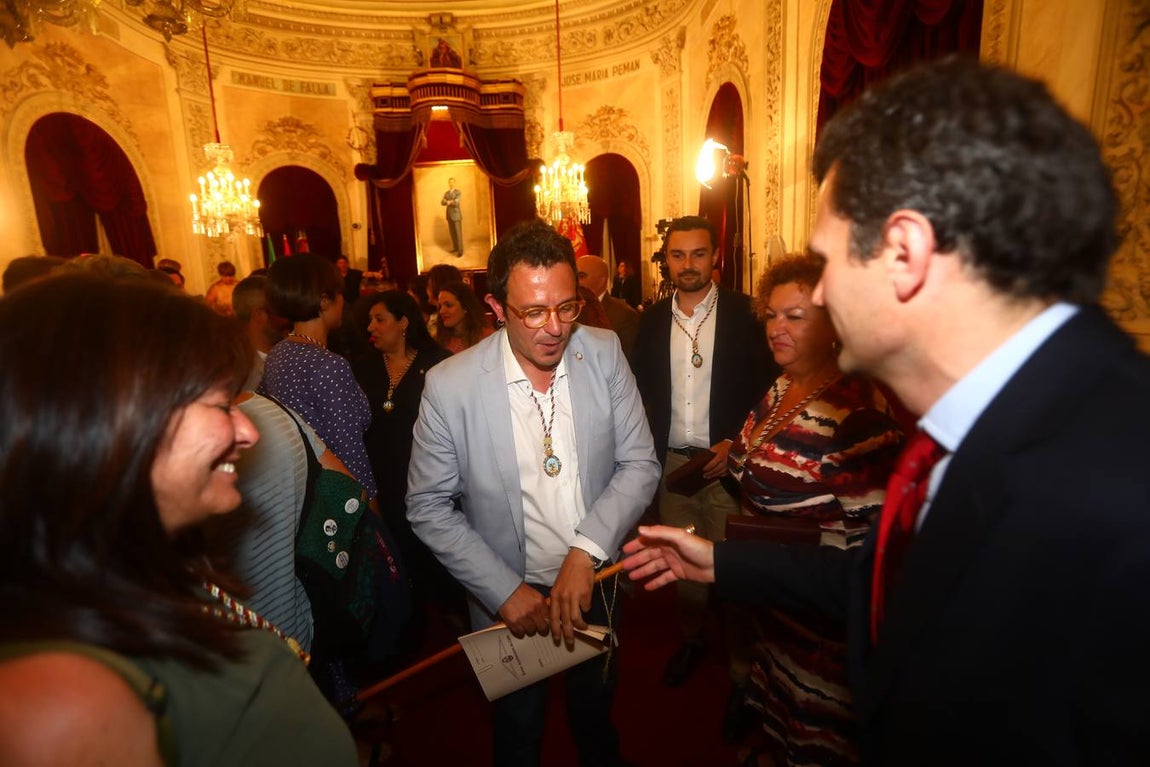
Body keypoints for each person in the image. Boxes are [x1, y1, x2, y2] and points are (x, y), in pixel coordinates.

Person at [622, 57, 1150, 766]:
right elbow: (882, 580)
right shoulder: (995, 421)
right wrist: (720, 561)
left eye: (828, 262)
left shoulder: (1118, 486)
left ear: (905, 252)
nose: (819, 295)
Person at [0, 273, 356, 765]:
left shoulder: (140, 576)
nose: (248, 432)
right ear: (114, 427)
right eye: (220, 405)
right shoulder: (62, 705)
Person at [406, 219, 661, 767]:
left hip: (595, 581)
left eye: (567, 307)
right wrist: (503, 590)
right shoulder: (450, 386)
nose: (555, 328)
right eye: (534, 312)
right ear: (496, 307)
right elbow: (427, 506)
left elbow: (640, 463)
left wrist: (584, 554)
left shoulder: (604, 350)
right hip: (509, 598)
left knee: (595, 713)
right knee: (519, 732)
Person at [726, 253, 903, 764]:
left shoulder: (857, 414)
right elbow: (750, 457)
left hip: (823, 633)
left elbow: (874, 560)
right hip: (776, 611)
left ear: (833, 324)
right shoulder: (782, 386)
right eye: (771, 315)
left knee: (813, 740)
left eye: (795, 316)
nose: (776, 328)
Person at [630, 214, 776, 694]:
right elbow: (639, 394)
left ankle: (741, 671)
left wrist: (738, 442)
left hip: (730, 467)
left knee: (734, 572)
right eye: (678, 255)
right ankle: (692, 639)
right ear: (666, 260)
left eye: (698, 254)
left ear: (715, 257)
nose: (688, 264)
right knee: (683, 569)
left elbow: (772, 390)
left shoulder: (746, 313)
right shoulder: (652, 321)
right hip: (676, 468)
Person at [351, 291, 456, 629]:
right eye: (369, 320)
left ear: (404, 322)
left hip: (428, 479)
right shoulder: (362, 367)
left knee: (432, 558)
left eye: (379, 319)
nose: (371, 327)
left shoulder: (438, 364)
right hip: (380, 481)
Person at [258, 253, 376, 499]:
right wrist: (371, 510)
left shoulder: (278, 352)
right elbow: (351, 458)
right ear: (324, 301)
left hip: (301, 489)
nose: (343, 301)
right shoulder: (329, 366)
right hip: (336, 497)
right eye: (339, 293)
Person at [578, 254, 639, 360]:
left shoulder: (625, 315)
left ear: (601, 281)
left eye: (581, 276)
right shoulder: (568, 312)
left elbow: (627, 362)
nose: (574, 281)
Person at [232, 274, 285, 390]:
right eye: (281, 310)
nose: (288, 317)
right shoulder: (244, 374)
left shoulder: (285, 356)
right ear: (259, 315)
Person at [434, 280, 492, 353]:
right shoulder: (439, 340)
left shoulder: (487, 338)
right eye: (440, 306)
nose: (442, 311)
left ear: (465, 307)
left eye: (448, 305)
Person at [441, 177, 464, 256]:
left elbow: (456, 202)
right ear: (448, 183)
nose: (451, 184)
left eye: (452, 182)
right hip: (449, 215)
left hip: (456, 215)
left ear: (454, 183)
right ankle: (455, 248)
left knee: (458, 233)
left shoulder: (458, 192)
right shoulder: (446, 193)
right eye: (450, 182)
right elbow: (442, 202)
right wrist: (450, 201)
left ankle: (460, 251)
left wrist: (447, 201)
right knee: (452, 233)